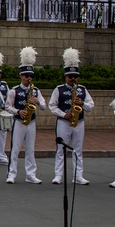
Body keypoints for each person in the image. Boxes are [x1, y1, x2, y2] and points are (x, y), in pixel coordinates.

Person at [48, 48, 94, 185]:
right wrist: (64, 114)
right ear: (65, 76)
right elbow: (52, 106)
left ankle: (78, 176)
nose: (73, 79)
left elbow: (91, 106)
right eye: (70, 76)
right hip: (63, 122)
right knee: (60, 149)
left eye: (75, 76)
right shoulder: (59, 89)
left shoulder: (82, 89)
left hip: (79, 122)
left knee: (78, 150)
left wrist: (83, 103)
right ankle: (58, 175)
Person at [5, 47, 43, 184]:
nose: (29, 78)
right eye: (26, 76)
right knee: (15, 149)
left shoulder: (36, 90)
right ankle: (11, 174)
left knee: (30, 149)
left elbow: (44, 106)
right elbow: (7, 106)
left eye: (30, 76)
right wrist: (18, 111)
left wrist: (37, 102)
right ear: (21, 76)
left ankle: (31, 174)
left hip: (31, 122)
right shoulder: (14, 91)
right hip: (19, 122)